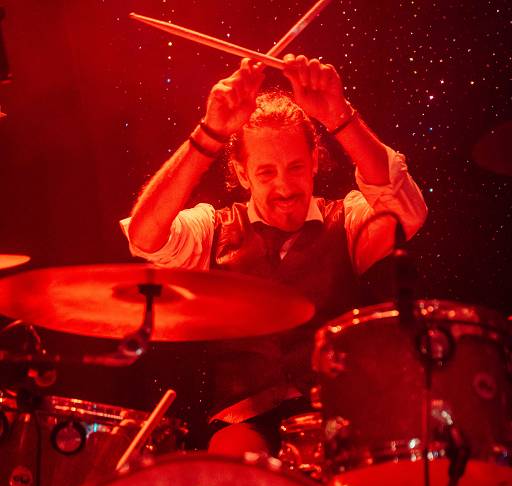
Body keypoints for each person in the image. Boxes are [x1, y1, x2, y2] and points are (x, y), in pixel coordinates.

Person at [121, 54, 428, 456]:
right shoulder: (212, 229)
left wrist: (339, 116)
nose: (284, 187)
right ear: (242, 173)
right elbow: (145, 238)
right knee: (234, 464)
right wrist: (209, 133)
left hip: (339, 418)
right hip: (242, 423)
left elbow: (407, 213)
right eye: (266, 172)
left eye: (296, 167)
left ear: (315, 161)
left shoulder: (350, 219)